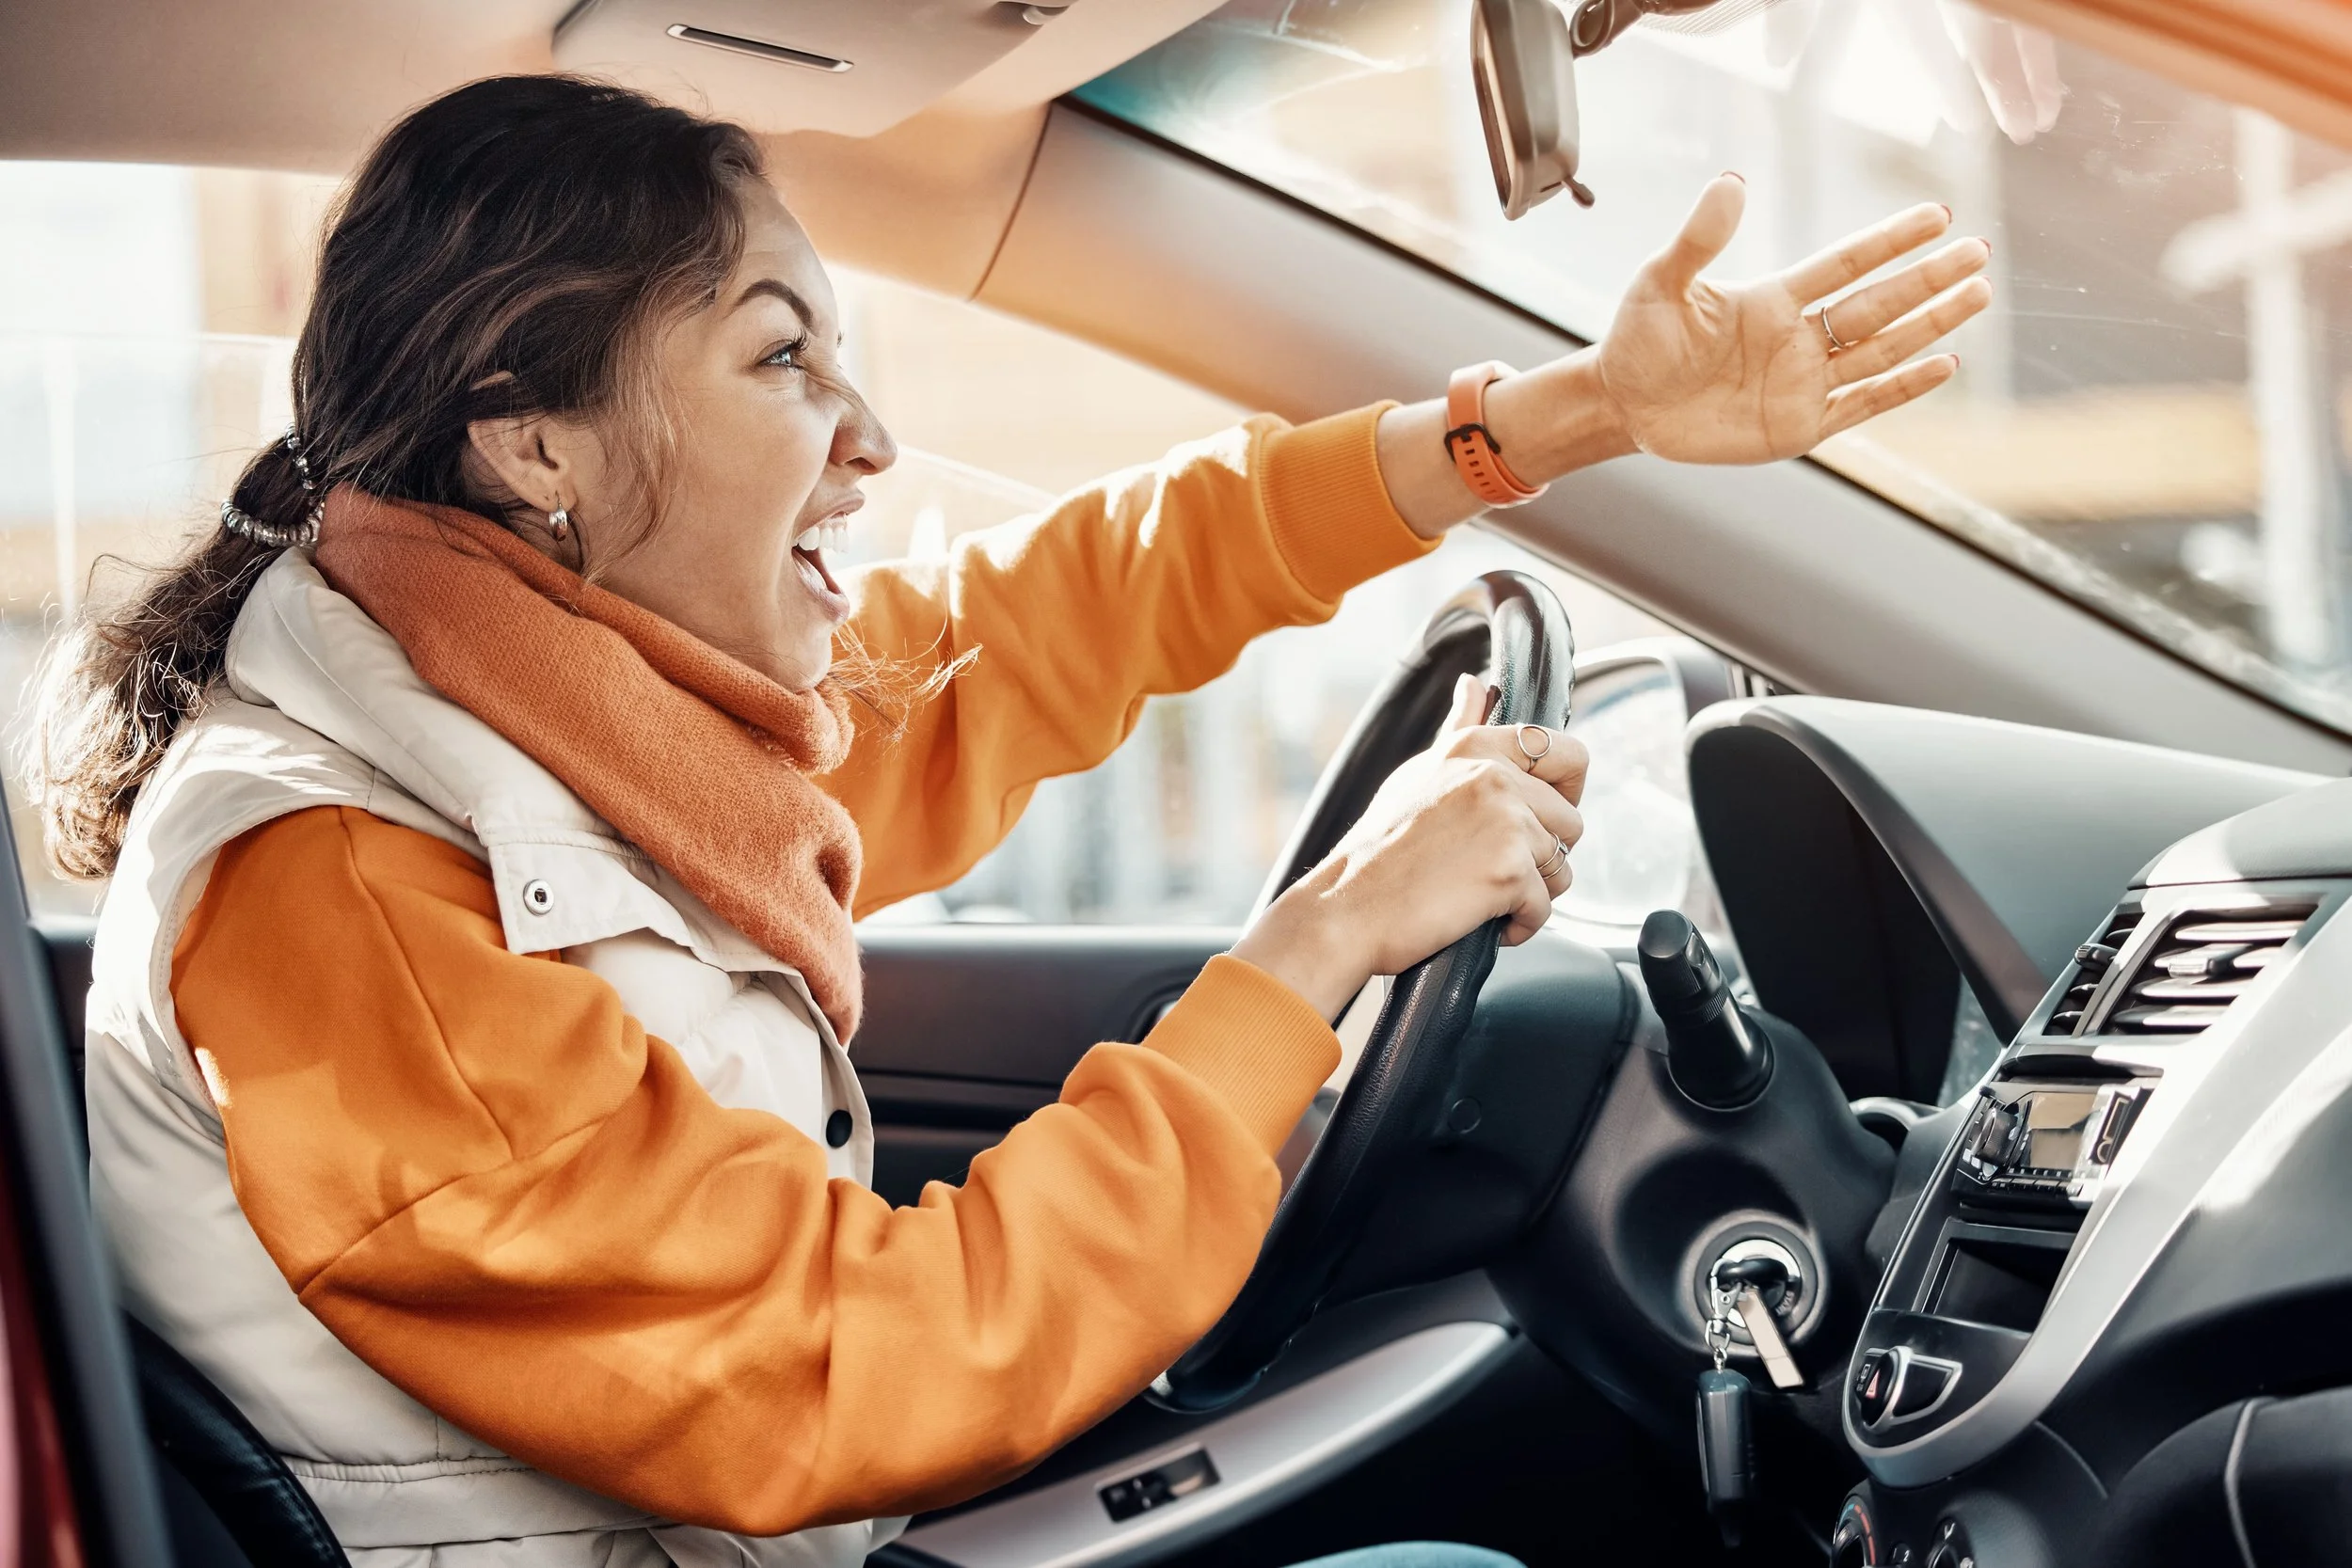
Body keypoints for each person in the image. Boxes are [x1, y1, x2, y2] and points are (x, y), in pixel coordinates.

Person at [35, 74, 1988, 1568]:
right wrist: (1316, 946)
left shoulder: (579, 715)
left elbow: (1065, 605)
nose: (872, 439)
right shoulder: (354, 892)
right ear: (530, 433)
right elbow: (846, 1367)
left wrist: (1558, 421)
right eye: (781, 357)